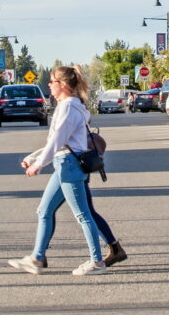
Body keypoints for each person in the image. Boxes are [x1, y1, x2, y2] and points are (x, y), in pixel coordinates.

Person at [10, 65, 114, 276]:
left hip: (69, 166)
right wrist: (33, 158)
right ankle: (37, 258)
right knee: (44, 211)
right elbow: (57, 142)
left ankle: (97, 261)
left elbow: (58, 141)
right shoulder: (71, 106)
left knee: (83, 215)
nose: (49, 85)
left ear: (63, 85)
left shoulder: (67, 108)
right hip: (63, 164)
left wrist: (38, 165)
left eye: (52, 81)